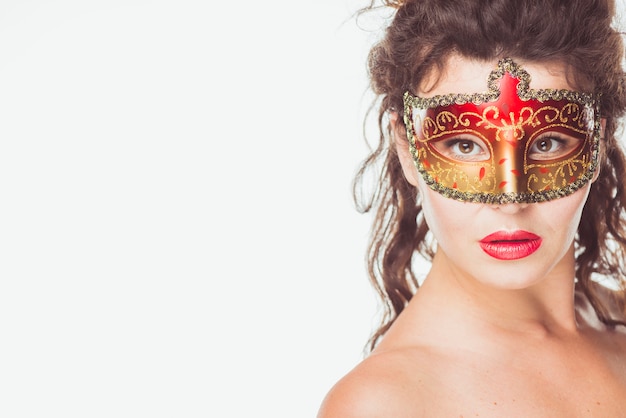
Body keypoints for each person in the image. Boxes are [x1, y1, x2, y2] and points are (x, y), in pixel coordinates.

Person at [318, 0, 626, 416]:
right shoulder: (384, 405)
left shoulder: (618, 323)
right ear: (407, 149)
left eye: (548, 142)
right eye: (464, 145)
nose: (511, 200)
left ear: (598, 141)